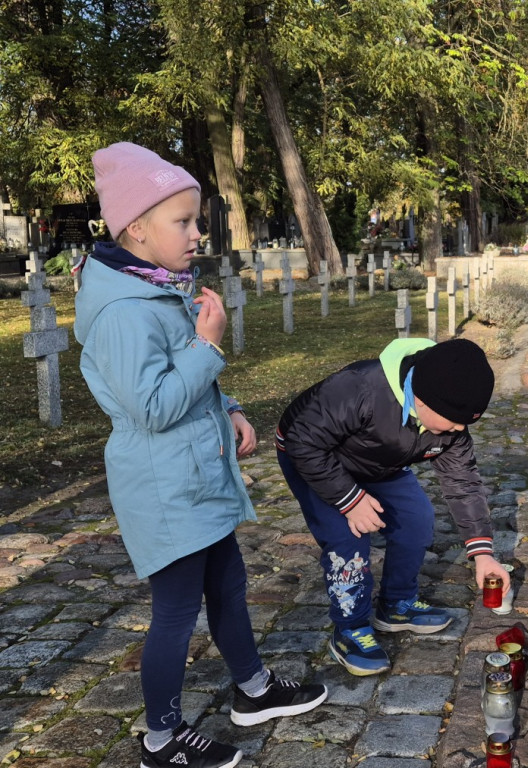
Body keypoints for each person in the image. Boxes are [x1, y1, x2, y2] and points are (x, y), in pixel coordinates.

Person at [74, 142, 327, 768]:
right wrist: (210, 347)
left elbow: (183, 375)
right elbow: (153, 407)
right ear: (135, 227)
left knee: (229, 583)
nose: (196, 234)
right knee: (177, 611)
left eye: (196, 219)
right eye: (181, 222)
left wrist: (231, 403)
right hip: (164, 486)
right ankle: (161, 739)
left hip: (194, 471)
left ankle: (253, 689)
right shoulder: (123, 310)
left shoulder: (157, 286)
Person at [276, 337, 511, 675]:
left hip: (379, 460)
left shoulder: (450, 421)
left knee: (417, 519)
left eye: (466, 423)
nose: (460, 429)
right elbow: (303, 441)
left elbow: (463, 483)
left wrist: (483, 554)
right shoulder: (361, 388)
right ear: (422, 397)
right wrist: (350, 500)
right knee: (348, 539)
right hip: (314, 457)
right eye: (454, 420)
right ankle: (350, 627)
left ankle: (397, 604)